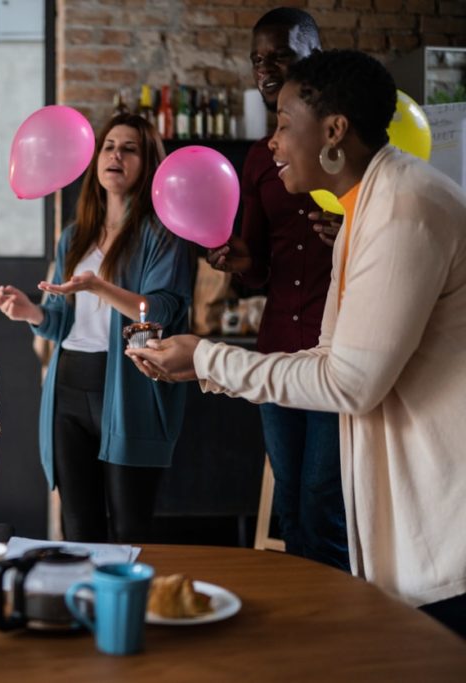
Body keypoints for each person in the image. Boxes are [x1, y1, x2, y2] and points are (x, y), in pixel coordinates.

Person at [127, 50, 466, 636]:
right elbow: (331, 359)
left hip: (446, 518)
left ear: (334, 130)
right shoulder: (360, 212)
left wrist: (207, 356)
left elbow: (350, 384)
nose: (274, 143)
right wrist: (198, 368)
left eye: (285, 123)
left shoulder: (406, 209)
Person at [0, 112, 192, 543]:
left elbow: (160, 309)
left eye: (129, 148)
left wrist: (100, 287)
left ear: (147, 165)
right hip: (67, 388)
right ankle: (82, 607)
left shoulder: (161, 234)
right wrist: (31, 312)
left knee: (129, 527)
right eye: (108, 147)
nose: (115, 155)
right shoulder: (74, 236)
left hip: (128, 390)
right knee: (78, 526)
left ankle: (128, 609)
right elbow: (60, 321)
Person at [206, 8, 348, 571]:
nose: (266, 70)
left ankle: (338, 625)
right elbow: (258, 265)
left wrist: (352, 234)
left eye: (280, 55)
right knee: (290, 502)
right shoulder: (262, 160)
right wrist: (238, 262)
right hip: (276, 350)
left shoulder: (349, 146)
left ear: (316, 53)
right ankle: (302, 630)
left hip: (339, 355)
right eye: (258, 60)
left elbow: (389, 243)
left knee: (323, 505)